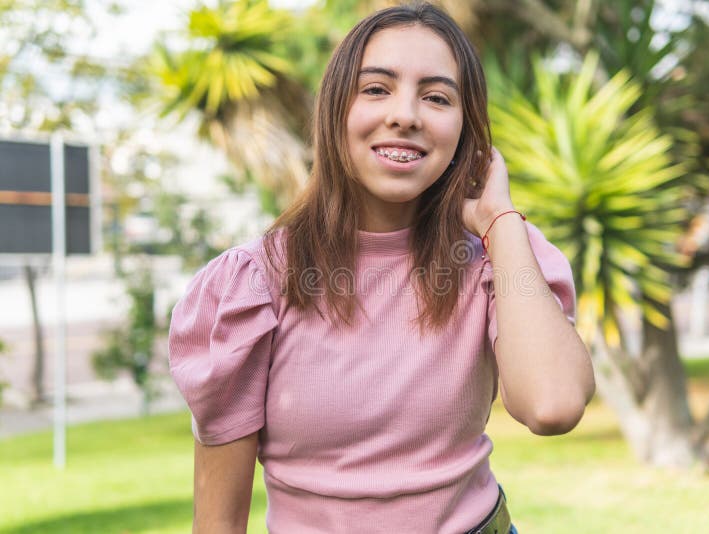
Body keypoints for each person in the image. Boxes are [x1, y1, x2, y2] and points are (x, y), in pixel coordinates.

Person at [168, 3, 595, 533]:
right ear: (334, 110)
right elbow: (218, 525)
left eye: (437, 97)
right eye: (376, 89)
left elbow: (552, 405)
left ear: (467, 129)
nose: (406, 115)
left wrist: (500, 218)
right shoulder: (253, 284)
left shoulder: (501, 254)